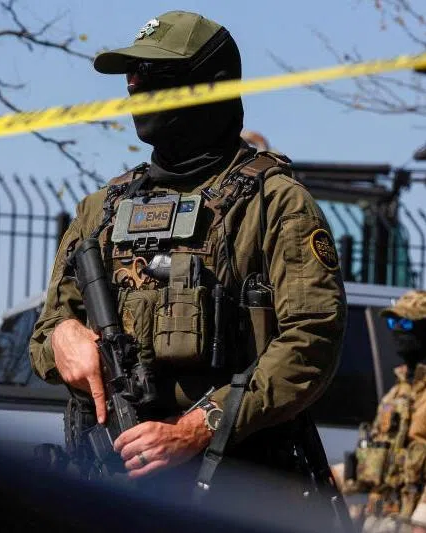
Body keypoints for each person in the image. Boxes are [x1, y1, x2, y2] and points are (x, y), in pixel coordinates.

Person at [29, 9, 347, 509]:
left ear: (210, 87)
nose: (136, 84)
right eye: (133, 75)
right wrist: (63, 339)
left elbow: (310, 344)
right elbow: (47, 330)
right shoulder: (102, 209)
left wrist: (199, 428)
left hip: (233, 490)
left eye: (155, 74)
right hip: (108, 484)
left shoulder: (275, 203)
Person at [336, 290, 426, 533]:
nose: (397, 330)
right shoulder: (395, 395)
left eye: (406, 322)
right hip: (380, 521)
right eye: (392, 322)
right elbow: (375, 454)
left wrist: (422, 522)